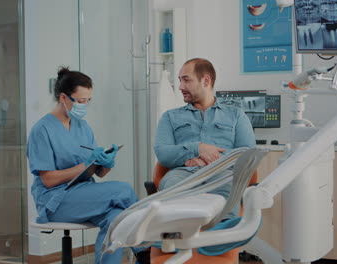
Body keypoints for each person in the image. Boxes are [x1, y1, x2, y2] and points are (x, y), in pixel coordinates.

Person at [27, 67, 149, 264]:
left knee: (115, 219)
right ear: (63, 98)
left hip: (83, 193)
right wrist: (84, 164)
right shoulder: (42, 130)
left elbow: (99, 173)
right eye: (81, 101)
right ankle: (144, 252)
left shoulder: (83, 127)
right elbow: (48, 180)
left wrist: (106, 162)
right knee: (123, 190)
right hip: (55, 199)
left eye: (88, 101)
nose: (85, 105)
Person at [153, 58, 256, 255]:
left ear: (206, 81)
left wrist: (212, 162)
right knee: (170, 187)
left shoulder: (236, 115)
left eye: (186, 80)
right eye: (179, 80)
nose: (181, 86)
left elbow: (247, 156)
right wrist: (197, 148)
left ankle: (221, 237)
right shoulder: (170, 117)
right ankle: (170, 238)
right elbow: (163, 153)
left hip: (222, 173)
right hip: (183, 173)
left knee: (228, 190)